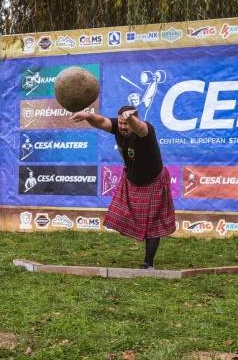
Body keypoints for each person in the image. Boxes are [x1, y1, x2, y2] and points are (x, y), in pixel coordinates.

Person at [70, 105, 175, 269]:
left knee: (153, 225)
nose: (122, 127)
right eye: (120, 123)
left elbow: (139, 128)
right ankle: (137, 236)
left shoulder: (146, 130)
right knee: (120, 216)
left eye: (126, 124)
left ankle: (148, 263)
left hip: (153, 181)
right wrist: (87, 116)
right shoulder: (118, 128)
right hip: (131, 180)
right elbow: (101, 121)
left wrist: (130, 118)